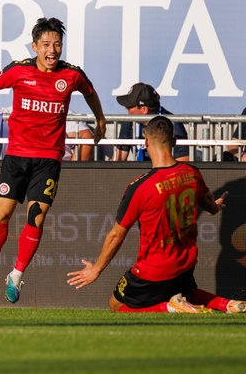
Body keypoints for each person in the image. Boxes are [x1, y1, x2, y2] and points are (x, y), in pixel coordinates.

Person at [0, 17, 106, 303]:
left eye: (57, 44)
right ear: (35, 46)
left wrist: (101, 119)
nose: (52, 50)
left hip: (48, 159)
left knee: (37, 216)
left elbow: (91, 92)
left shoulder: (71, 75)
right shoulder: (19, 70)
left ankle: (17, 275)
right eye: (46, 44)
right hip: (17, 156)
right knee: (3, 214)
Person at [67, 115, 246, 314]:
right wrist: (216, 206)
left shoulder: (141, 187)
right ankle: (229, 304)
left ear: (145, 142)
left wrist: (96, 269)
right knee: (189, 291)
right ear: (174, 142)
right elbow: (209, 205)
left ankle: (169, 308)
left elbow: (116, 234)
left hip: (153, 270)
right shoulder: (192, 173)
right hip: (185, 263)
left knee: (116, 305)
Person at [114, 82, 189, 162]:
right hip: (139, 171)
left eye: (129, 107)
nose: (125, 108)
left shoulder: (172, 123)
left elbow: (183, 161)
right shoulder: (129, 121)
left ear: (144, 109)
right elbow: (119, 159)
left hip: (164, 172)